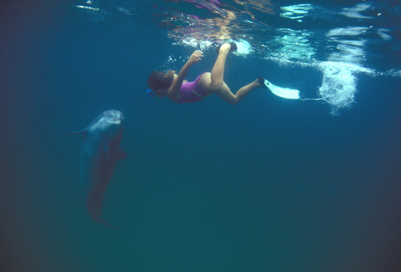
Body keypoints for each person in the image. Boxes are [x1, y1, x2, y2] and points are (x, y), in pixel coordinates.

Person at [147, 43, 267, 105]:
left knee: (216, 86)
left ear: (158, 91)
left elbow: (180, 80)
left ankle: (224, 49)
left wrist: (190, 62)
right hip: (205, 90)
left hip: (202, 83)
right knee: (233, 100)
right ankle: (257, 83)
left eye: (153, 91)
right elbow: (179, 80)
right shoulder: (172, 82)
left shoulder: (172, 94)